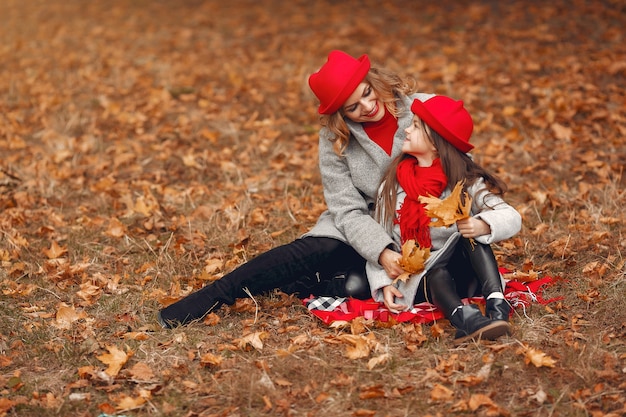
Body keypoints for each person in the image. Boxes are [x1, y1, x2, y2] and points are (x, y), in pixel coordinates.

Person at [157, 50, 432, 328]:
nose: (367, 106)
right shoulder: (336, 138)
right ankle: (211, 298)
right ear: (340, 115)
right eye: (352, 107)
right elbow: (347, 208)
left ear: (374, 80)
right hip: (365, 225)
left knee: (352, 283)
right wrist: (381, 251)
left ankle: (320, 284)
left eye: (366, 92)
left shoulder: (425, 109)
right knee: (308, 252)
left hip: (423, 224)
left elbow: (460, 175)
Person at [366, 95, 522, 345]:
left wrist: (483, 224)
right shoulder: (393, 183)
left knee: (472, 238)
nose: (407, 129)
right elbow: (378, 237)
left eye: (416, 125)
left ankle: (497, 304)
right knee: (436, 272)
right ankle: (465, 320)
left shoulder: (463, 180)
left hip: (465, 272)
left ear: (437, 143)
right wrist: (383, 283)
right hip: (424, 280)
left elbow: (512, 216)